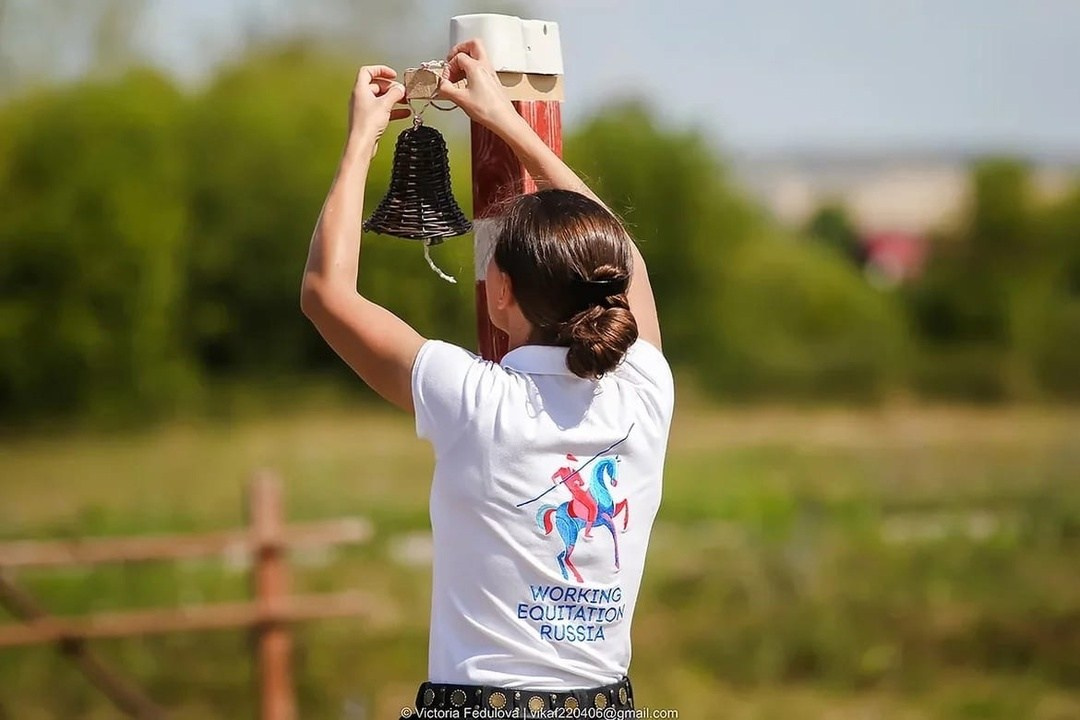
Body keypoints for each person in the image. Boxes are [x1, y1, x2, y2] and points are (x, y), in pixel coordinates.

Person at [301, 39, 674, 719]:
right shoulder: (645, 393)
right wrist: (512, 122)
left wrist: (361, 140)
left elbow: (326, 293)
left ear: (498, 290)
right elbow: (624, 258)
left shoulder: (473, 399)